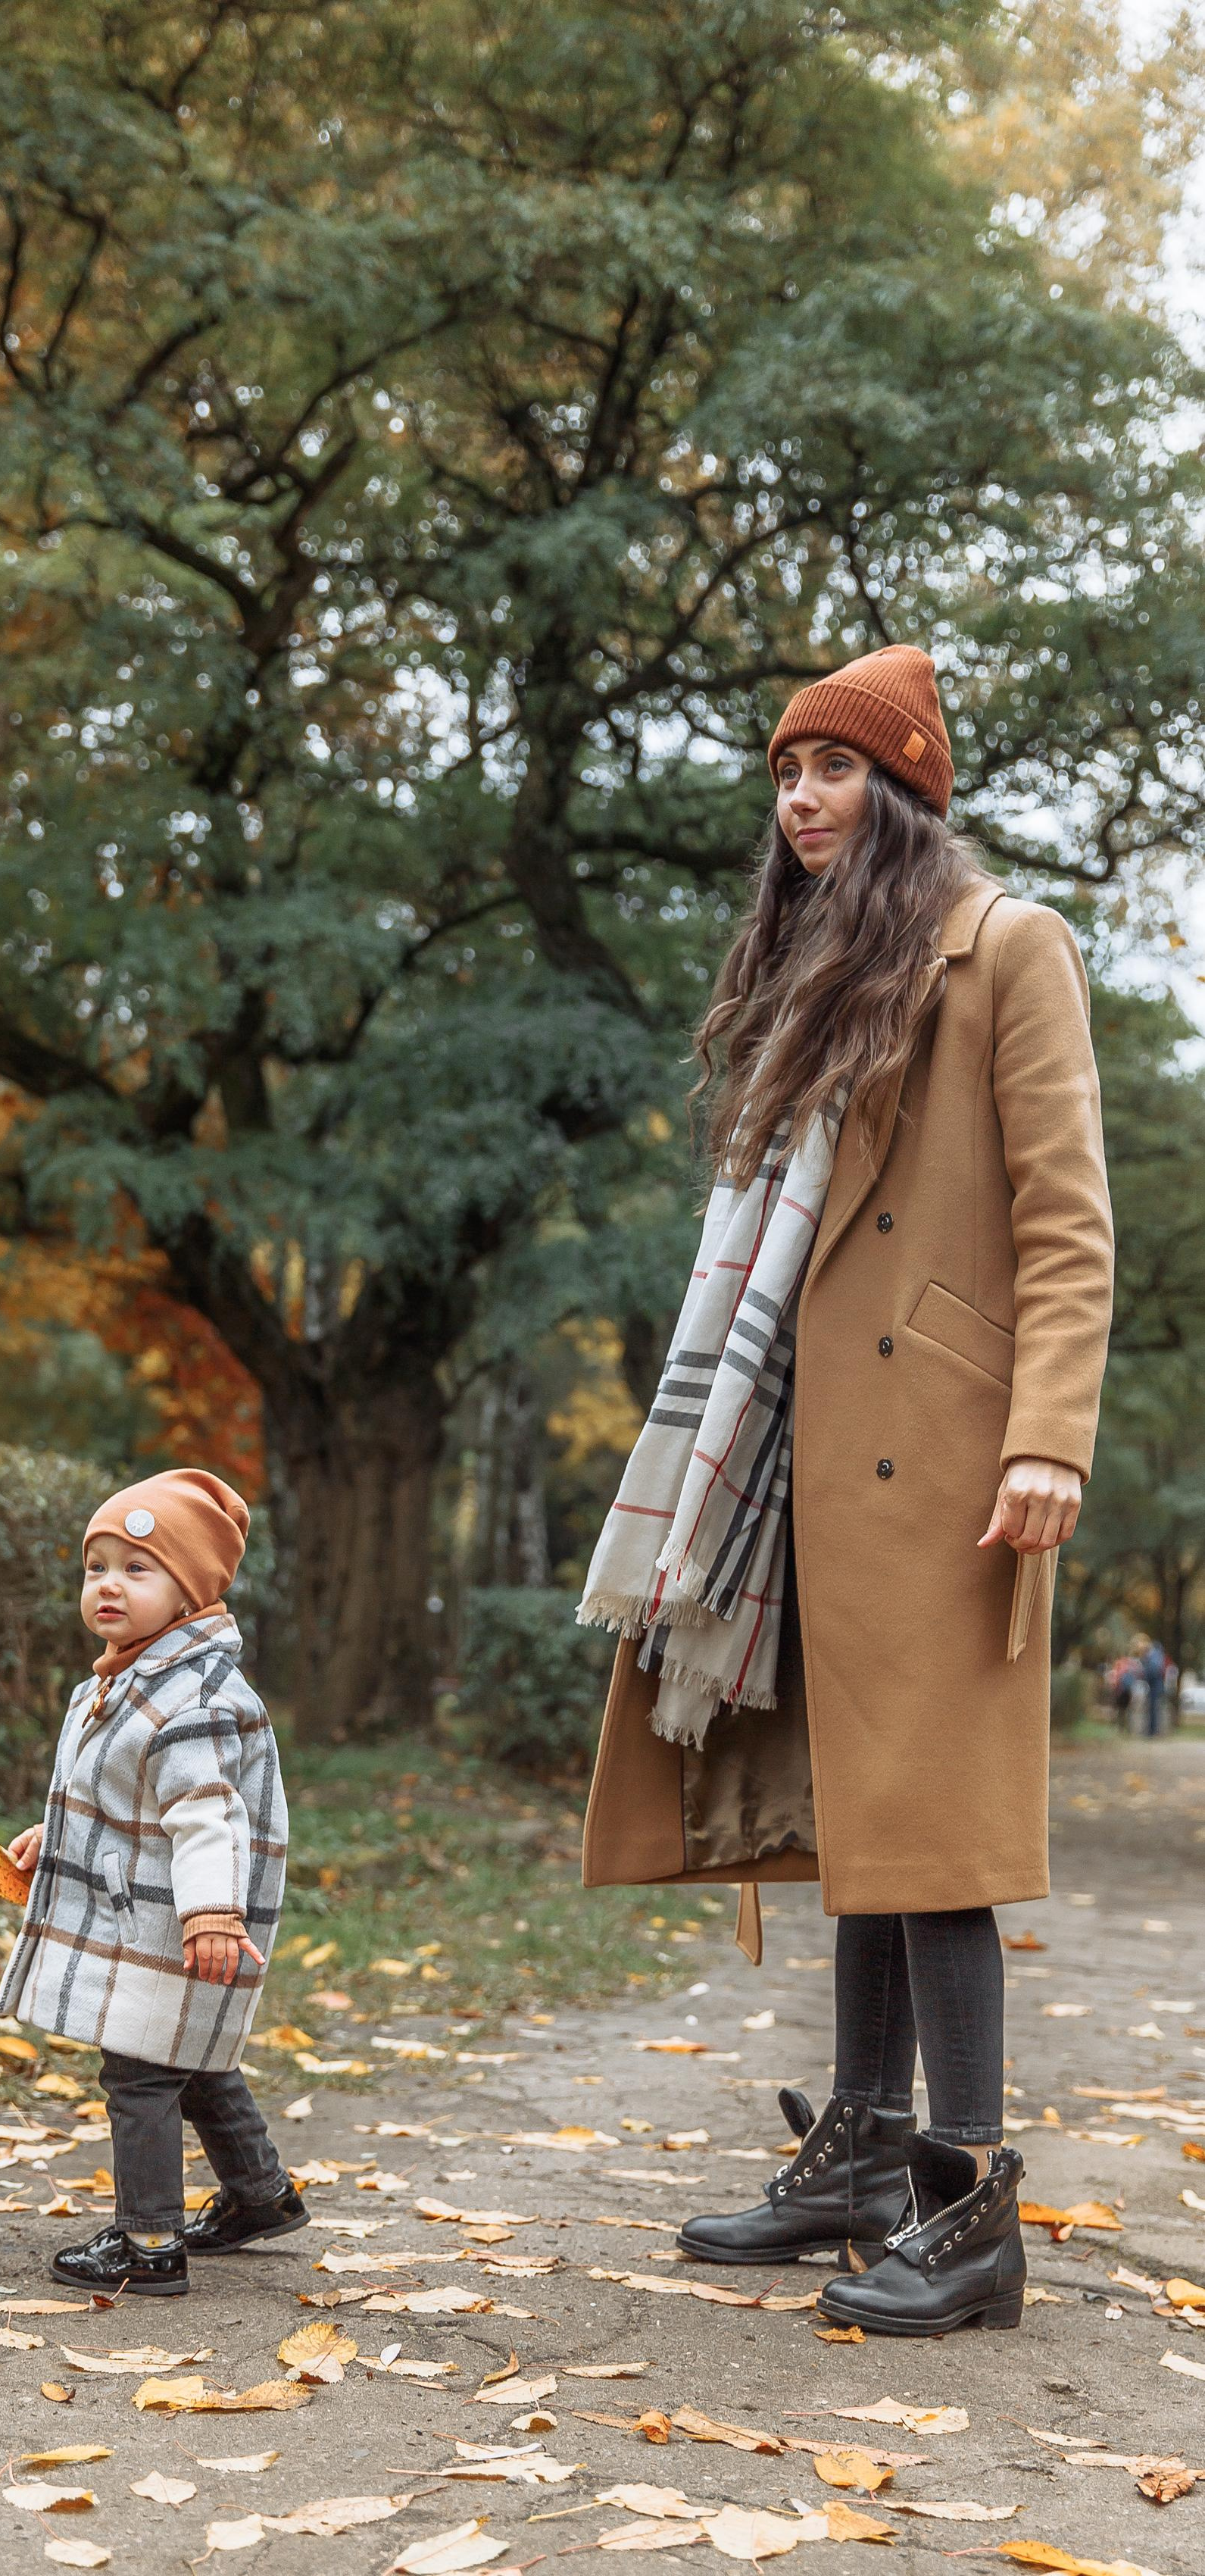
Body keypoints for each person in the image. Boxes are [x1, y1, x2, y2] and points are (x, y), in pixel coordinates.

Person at [577, 645, 1113, 2337]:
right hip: (798, 1459)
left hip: (946, 1463)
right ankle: (863, 2149)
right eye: (782, 774)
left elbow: (1062, 1218)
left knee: (932, 1831)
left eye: (829, 770)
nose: (798, 799)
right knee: (855, 1821)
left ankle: (965, 2204)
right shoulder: (812, 968)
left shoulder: (1001, 946)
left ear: (904, 786)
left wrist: (1046, 1431)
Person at [0, 1468, 305, 2297]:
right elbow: (116, 1793)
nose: (107, 1585)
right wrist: (52, 1834)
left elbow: (206, 1813)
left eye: (137, 1569)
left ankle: (149, 2240)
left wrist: (209, 1911)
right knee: (191, 2056)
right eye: (95, 1566)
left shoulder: (192, 1697)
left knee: (138, 2072)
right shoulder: (123, 1681)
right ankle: (260, 2195)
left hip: (179, 1914)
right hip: (152, 1908)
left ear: (188, 1589)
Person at [1141, 1635, 1169, 1738]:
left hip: (1154, 1686)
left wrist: (1145, 1675)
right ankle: (1153, 1730)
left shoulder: (1154, 1656)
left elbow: (1153, 1671)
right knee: (1155, 1709)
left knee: (1153, 1710)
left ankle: (1152, 1731)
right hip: (1157, 1686)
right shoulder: (1159, 1656)